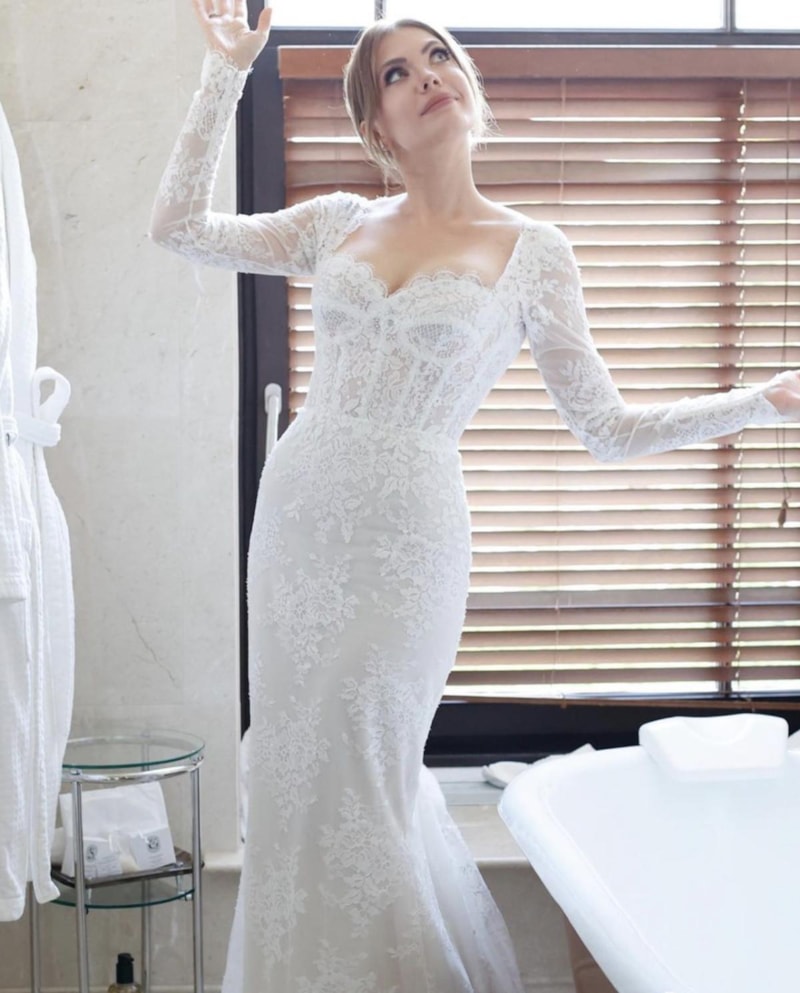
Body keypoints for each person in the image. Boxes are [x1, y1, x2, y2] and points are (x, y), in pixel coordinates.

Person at [150, 3, 800, 990]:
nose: (427, 76)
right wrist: (227, 73)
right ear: (376, 126)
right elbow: (179, 228)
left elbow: (605, 428)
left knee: (367, 764)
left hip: (409, 534)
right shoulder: (336, 221)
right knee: (290, 764)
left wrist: (758, 402)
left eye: (438, 57)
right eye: (397, 74)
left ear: (467, 85)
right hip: (299, 515)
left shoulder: (534, 251)